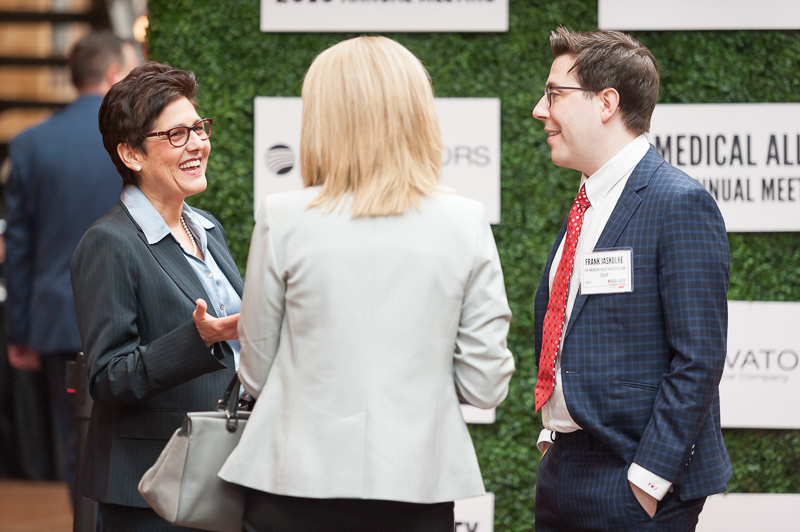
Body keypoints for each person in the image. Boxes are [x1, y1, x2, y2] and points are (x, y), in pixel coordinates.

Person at [219, 35, 515, 532]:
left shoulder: (282, 217)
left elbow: (256, 374)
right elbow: (484, 385)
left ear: (322, 120)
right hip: (418, 489)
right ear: (419, 116)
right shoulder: (465, 221)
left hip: (291, 485)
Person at [530, 27, 731, 531]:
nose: (539, 110)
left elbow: (699, 357)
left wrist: (648, 479)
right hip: (563, 471)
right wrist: (553, 437)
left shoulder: (678, 202)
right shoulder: (588, 201)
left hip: (634, 484)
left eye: (554, 94)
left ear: (606, 102)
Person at [70, 61, 243, 530]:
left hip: (219, 473)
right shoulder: (109, 242)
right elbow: (107, 377)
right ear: (131, 154)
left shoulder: (206, 227)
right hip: (150, 490)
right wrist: (200, 338)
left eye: (199, 128)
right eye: (176, 135)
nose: (197, 144)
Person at [4, 30, 138, 500]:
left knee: (74, 438)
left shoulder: (31, 144)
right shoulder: (135, 140)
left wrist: (19, 331)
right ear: (114, 74)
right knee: (131, 437)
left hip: (59, 320)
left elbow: (18, 246)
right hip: (134, 314)